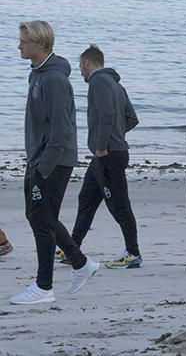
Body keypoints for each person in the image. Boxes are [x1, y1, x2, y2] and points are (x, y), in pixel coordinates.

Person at [12, 21, 100, 305]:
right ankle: (80, 263)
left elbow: (62, 130)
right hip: (39, 158)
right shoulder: (37, 74)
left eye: (24, 41)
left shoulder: (53, 80)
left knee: (41, 220)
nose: (19, 45)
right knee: (39, 217)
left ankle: (44, 286)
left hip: (53, 162)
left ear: (40, 43)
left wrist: (43, 168)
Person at [64, 45, 142, 269]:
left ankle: (133, 252)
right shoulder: (116, 84)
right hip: (109, 153)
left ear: (88, 63)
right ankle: (72, 248)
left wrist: (101, 145)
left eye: (81, 67)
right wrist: (115, 135)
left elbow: (108, 114)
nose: (80, 72)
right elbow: (131, 119)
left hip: (108, 154)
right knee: (86, 199)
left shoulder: (98, 81)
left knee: (119, 205)